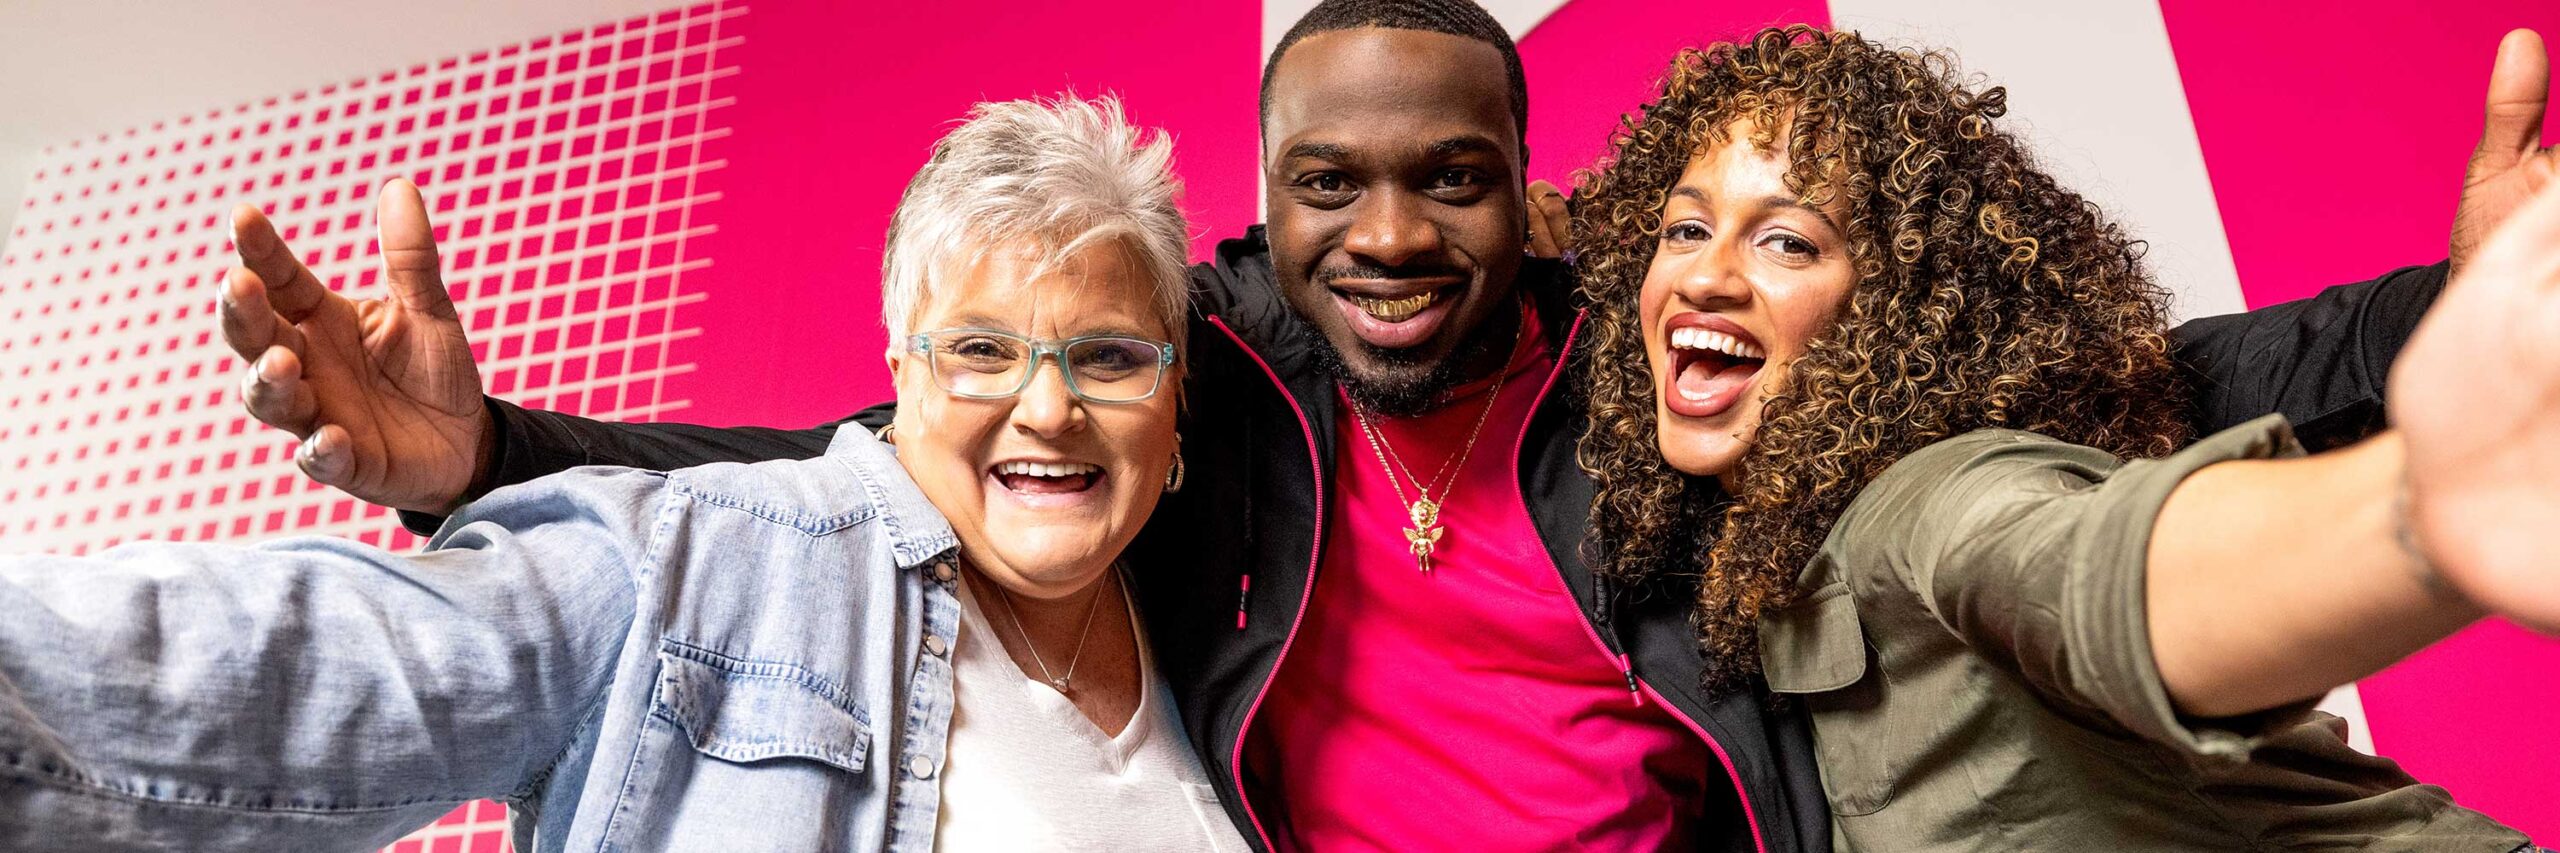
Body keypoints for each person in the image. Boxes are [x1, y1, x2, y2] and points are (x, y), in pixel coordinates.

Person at [208, 1, 2560, 849]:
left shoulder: (1648, 363)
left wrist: (2444, 317)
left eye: (1449, 177)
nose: (1390, 232)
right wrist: (486, 456)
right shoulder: (1193, 376)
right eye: (1328, 184)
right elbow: (852, 463)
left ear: (1524, 185)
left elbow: (2126, 390)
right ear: (1265, 196)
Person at [0, 96, 1250, 852]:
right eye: (980, 351)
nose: (1049, 406)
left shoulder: (1226, 668)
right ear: (901, 376)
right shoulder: (691, 564)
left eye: (1107, 355)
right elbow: (297, 667)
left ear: (1172, 394)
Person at [1571, 27, 2549, 849]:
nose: (1704, 276)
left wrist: (2427, 510)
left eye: (1788, 241)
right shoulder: (1762, 569)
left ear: (1901, 310)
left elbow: (2099, 572)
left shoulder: (1929, 503)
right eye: (1685, 229)